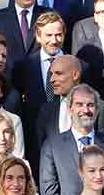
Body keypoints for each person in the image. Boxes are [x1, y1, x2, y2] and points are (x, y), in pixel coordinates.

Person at [33, 54, 104, 153]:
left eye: (58, 73)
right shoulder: (46, 111)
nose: (52, 80)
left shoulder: (102, 109)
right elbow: (42, 151)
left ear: (75, 75)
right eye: (51, 74)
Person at [13, 11, 68, 156]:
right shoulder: (23, 67)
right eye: (48, 35)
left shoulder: (78, 66)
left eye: (58, 34)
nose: (54, 40)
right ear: (38, 37)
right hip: (33, 138)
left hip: (66, 138)